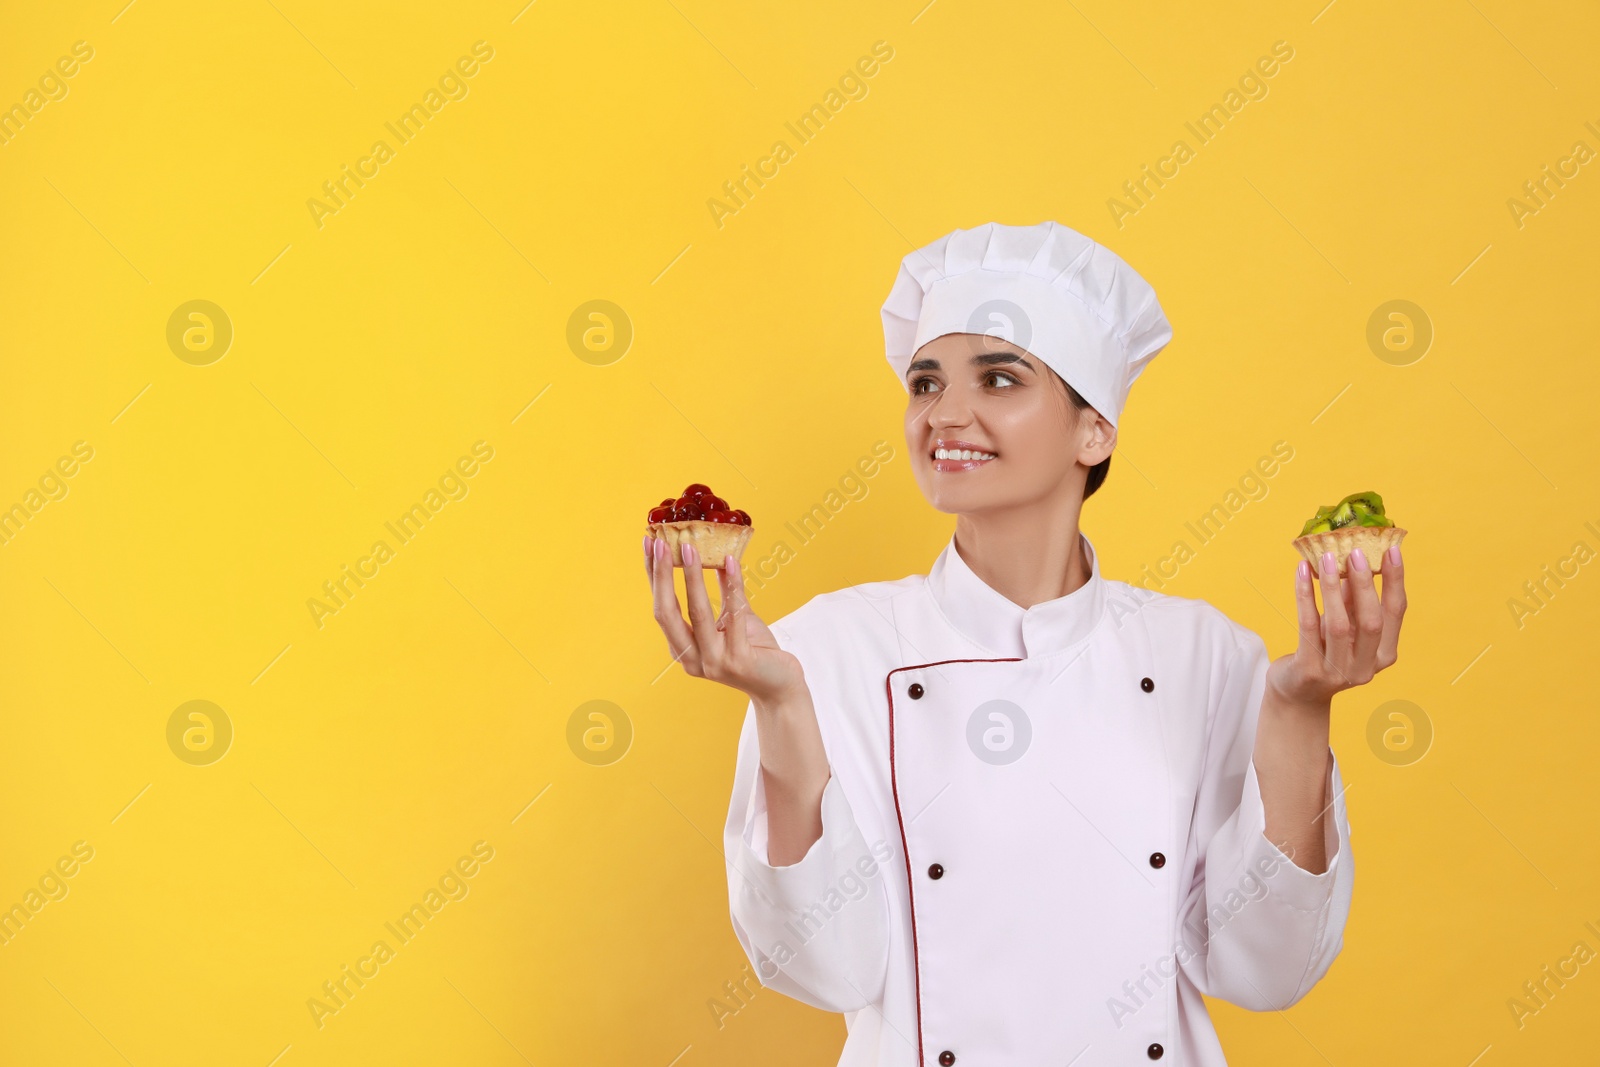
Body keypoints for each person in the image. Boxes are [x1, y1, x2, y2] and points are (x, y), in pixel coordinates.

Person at [643, 221, 1405, 1065]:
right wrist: (780, 706)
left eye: (999, 378)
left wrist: (1300, 708)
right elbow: (822, 967)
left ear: (1095, 431)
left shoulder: (1207, 655)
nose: (945, 414)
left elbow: (1266, 969)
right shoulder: (826, 647)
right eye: (924, 383)